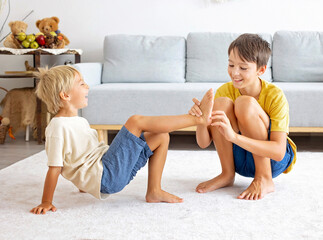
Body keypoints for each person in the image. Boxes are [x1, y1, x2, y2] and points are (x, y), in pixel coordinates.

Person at [30, 65, 214, 215]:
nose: (87, 86)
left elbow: (79, 160)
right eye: (81, 84)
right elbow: (55, 168)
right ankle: (197, 119)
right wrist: (46, 201)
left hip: (109, 174)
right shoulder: (57, 127)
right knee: (135, 121)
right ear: (65, 95)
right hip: (107, 176)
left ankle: (154, 191)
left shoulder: (79, 121)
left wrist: (84, 185)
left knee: (160, 136)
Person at [189, 33, 297, 200]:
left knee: (244, 104)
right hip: (240, 160)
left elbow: (278, 152)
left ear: (261, 70)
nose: (235, 72)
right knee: (222, 103)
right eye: (231, 65)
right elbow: (203, 143)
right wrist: (201, 120)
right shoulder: (224, 91)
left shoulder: (275, 96)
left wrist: (234, 137)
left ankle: (264, 178)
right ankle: (226, 174)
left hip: (272, 161)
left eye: (243, 68)